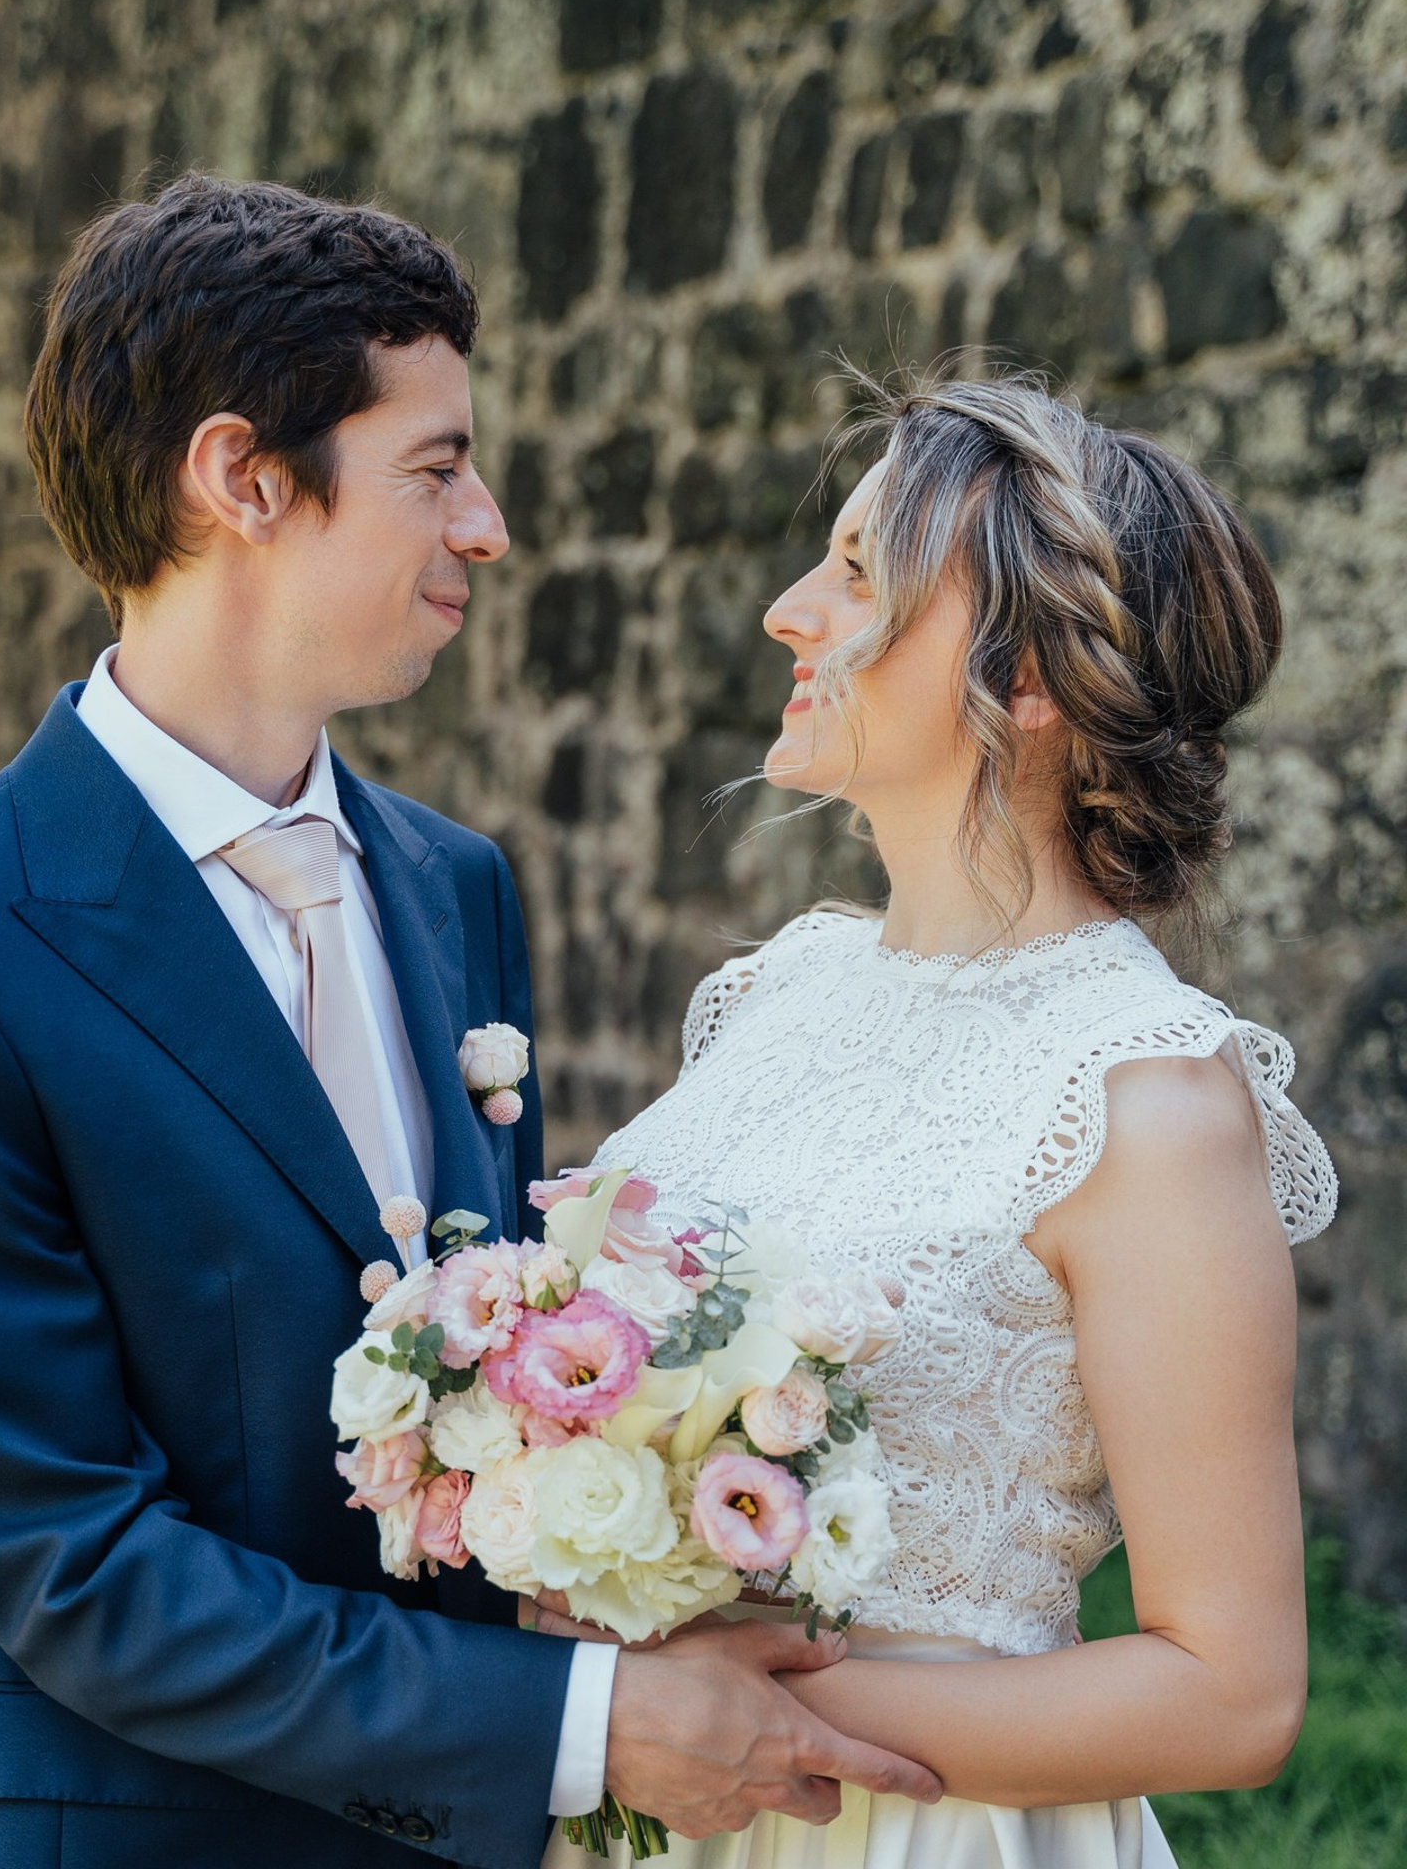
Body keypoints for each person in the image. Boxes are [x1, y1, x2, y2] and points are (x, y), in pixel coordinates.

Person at [0, 175, 939, 1869]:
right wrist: (583, 1731)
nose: (488, 522)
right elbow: (68, 1564)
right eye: (437, 464)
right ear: (245, 478)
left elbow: (488, 1393)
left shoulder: (454, 887)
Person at [537, 372, 1336, 1868]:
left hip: (904, 1829)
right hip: (640, 1799)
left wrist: (752, 1721)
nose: (790, 611)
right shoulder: (783, 992)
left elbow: (1234, 1696)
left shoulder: (1149, 1095)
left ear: (1029, 681)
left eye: (858, 575)